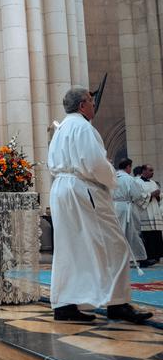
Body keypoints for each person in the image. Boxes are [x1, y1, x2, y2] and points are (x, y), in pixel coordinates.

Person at [48, 87, 151, 323]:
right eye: (92, 102)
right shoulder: (83, 128)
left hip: (62, 189)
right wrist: (113, 179)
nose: (94, 106)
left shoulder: (62, 128)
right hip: (83, 189)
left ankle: (65, 304)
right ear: (82, 105)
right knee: (115, 244)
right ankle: (118, 303)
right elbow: (95, 163)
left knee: (69, 249)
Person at [112, 159, 150, 265]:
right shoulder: (129, 179)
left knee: (117, 233)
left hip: (114, 207)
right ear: (128, 167)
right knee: (132, 233)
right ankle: (139, 257)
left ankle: (118, 258)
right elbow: (137, 194)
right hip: (127, 207)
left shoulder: (112, 177)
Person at [138, 165, 163, 264]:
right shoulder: (138, 182)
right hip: (145, 211)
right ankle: (149, 257)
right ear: (143, 171)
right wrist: (151, 194)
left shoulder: (153, 183)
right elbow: (138, 197)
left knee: (156, 233)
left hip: (154, 210)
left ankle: (157, 256)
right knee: (148, 234)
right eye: (150, 170)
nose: (152, 172)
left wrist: (158, 195)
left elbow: (159, 197)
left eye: (153, 170)